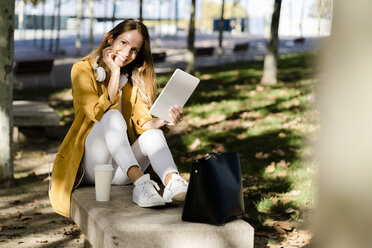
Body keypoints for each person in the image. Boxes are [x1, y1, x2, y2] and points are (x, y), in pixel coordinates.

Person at [49, 19, 188, 218]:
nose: (127, 53)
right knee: (112, 116)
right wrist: (114, 73)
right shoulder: (82, 70)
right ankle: (141, 184)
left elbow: (143, 124)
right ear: (111, 39)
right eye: (123, 43)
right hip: (92, 167)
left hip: (121, 169)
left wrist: (164, 120)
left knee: (154, 134)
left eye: (134, 50)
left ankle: (173, 182)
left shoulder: (134, 78)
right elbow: (96, 113)